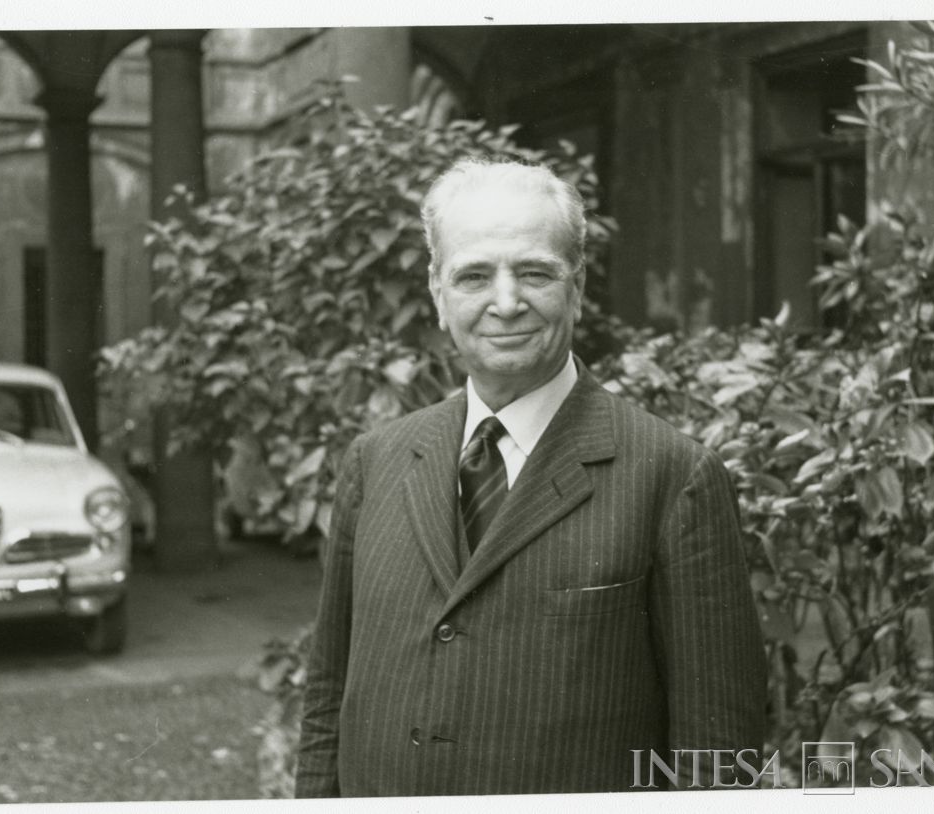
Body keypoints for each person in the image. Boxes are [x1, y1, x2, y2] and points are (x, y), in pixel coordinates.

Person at [294, 159, 765, 797]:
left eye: (535, 273)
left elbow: (721, 758)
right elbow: (328, 695)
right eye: (473, 276)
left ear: (577, 287)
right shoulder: (374, 462)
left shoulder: (673, 476)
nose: (506, 302)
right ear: (438, 293)